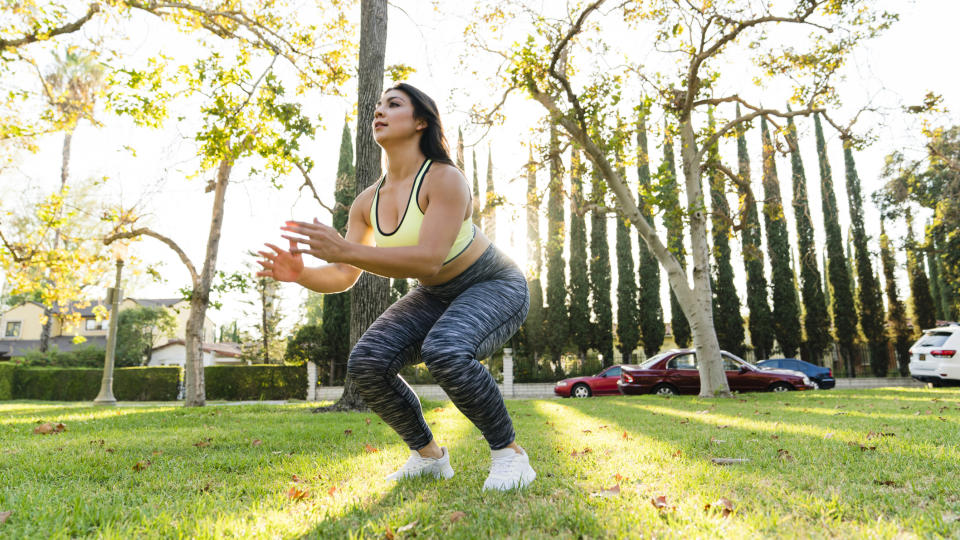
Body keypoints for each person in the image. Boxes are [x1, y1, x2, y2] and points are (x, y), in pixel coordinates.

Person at [256, 83, 534, 491]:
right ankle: (429, 457)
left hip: (493, 284)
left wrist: (345, 249)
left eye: (393, 104)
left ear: (421, 120)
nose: (379, 112)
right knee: (367, 363)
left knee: (446, 349)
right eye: (377, 107)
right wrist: (302, 274)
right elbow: (343, 274)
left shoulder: (444, 179)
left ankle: (510, 455)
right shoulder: (367, 202)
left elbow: (427, 259)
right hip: (435, 293)